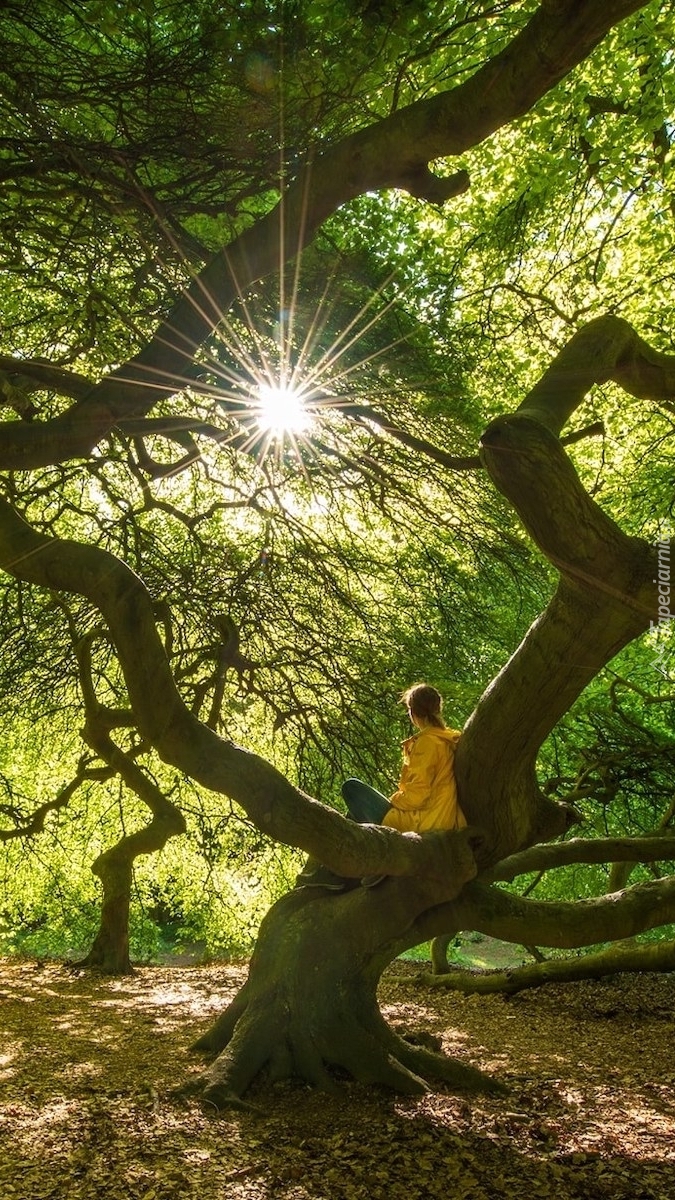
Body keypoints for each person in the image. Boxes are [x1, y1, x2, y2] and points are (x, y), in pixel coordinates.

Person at [296, 682, 465, 890]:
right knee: (353, 813)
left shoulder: (428, 743)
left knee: (352, 789)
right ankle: (340, 875)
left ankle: (346, 872)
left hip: (423, 823)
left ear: (413, 712)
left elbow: (418, 796)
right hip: (439, 819)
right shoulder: (447, 739)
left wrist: (394, 800)